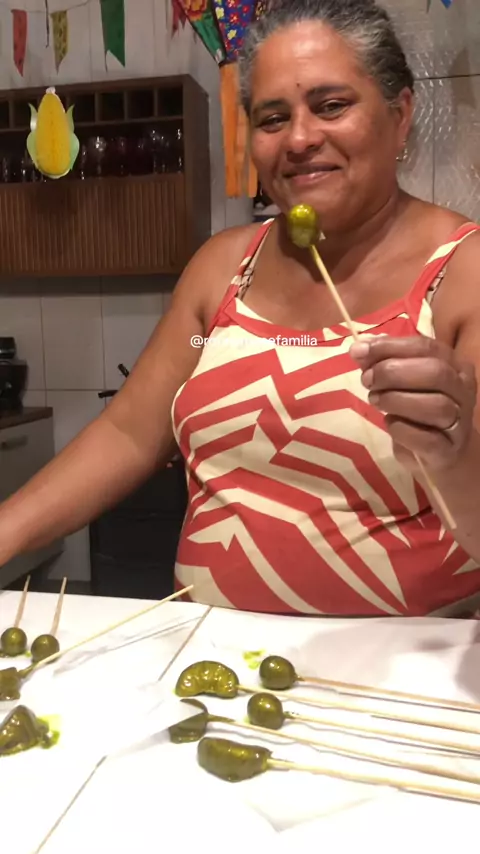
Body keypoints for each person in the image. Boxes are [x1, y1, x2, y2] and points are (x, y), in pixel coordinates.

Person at [1, 0, 480, 617]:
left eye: (332, 105)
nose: (300, 139)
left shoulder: (464, 270)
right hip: (211, 649)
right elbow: (128, 434)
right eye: (273, 118)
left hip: (403, 656)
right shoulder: (224, 265)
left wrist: (455, 450)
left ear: (400, 113)